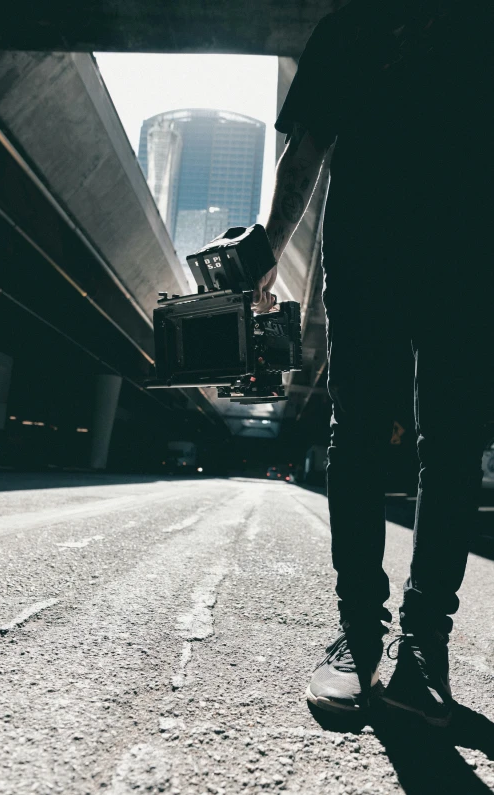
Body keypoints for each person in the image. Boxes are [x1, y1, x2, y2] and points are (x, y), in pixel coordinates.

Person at [253, 0, 493, 726]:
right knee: (357, 433)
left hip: (470, 256)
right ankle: (359, 632)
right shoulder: (351, 24)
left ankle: (423, 644)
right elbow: (310, 143)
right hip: (365, 253)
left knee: (450, 442)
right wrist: (266, 250)